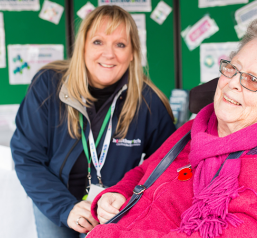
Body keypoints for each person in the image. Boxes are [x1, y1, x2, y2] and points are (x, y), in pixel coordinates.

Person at [87, 18, 257, 238]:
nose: (233, 84)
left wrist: (111, 234)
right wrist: (118, 192)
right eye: (232, 69)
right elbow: (146, 171)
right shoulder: (193, 129)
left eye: (252, 80)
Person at [11, 5, 176, 238]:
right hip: (55, 199)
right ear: (83, 47)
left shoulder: (149, 102)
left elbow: (166, 166)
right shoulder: (48, 85)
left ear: (132, 53)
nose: (109, 54)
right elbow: (27, 157)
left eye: (120, 44)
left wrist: (127, 198)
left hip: (112, 210)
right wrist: (64, 207)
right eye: (98, 42)